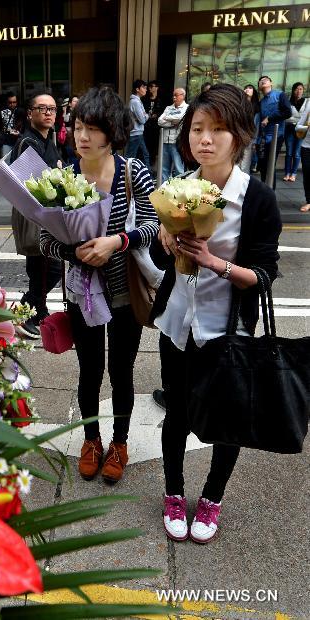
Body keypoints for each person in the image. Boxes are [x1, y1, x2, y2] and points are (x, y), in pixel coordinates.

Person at [151, 83, 282, 544]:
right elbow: (160, 252)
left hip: (228, 330)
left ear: (241, 135)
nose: (204, 140)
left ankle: (211, 498)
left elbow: (264, 274)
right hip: (178, 324)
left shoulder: (258, 199)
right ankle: (173, 492)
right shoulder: (177, 188)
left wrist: (215, 262)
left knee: (229, 417)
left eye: (218, 130)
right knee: (178, 413)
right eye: (198, 129)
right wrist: (165, 241)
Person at [40, 87, 159, 484]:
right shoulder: (63, 178)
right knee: (89, 370)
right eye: (77, 126)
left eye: (92, 128)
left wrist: (116, 242)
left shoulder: (132, 172)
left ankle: (119, 442)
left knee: (122, 371)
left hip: (124, 290)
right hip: (81, 292)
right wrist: (76, 253)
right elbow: (45, 239)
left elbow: (153, 225)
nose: (82, 136)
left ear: (113, 133)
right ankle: (91, 439)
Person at [6, 93, 64, 339]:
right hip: (34, 214)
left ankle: (38, 312)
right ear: (30, 113)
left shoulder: (46, 139)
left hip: (42, 214)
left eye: (52, 108)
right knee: (48, 268)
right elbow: (35, 183)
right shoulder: (28, 142)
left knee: (40, 268)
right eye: (43, 108)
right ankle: (24, 311)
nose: (49, 113)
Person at [256, 75, 291, 188]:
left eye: (266, 79)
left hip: (277, 136)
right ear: (259, 87)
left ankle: (270, 192)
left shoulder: (280, 95)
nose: (263, 80)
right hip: (263, 137)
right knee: (262, 165)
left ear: (271, 83)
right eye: (261, 81)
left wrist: (269, 118)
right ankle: (264, 190)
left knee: (270, 165)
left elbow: (287, 112)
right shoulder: (261, 102)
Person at [157, 88, 188, 182]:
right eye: (173, 95)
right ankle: (164, 190)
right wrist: (172, 123)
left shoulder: (187, 108)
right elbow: (160, 121)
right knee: (164, 169)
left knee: (179, 168)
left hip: (176, 142)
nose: (174, 97)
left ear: (183, 96)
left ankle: (179, 191)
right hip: (165, 141)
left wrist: (168, 118)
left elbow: (180, 119)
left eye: (176, 95)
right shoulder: (168, 108)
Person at [283, 82, 305, 182]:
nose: (298, 91)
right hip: (289, 129)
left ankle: (294, 173)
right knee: (289, 152)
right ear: (293, 90)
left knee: (296, 153)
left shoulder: (307, 102)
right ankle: (287, 173)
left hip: (301, 130)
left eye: (301, 89)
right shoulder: (288, 101)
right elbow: (286, 116)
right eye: (297, 89)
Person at [126, 80, 150, 167]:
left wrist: (145, 115)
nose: (146, 90)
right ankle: (124, 176)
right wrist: (147, 115)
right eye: (144, 88)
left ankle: (147, 175)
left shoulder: (137, 101)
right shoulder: (135, 102)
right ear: (137, 89)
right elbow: (142, 120)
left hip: (137, 132)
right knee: (130, 158)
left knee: (143, 155)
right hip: (135, 133)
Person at [142, 80, 162, 169]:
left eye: (152, 86)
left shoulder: (160, 100)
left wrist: (157, 115)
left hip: (156, 128)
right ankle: (146, 168)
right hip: (146, 127)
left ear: (157, 88)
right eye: (149, 87)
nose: (150, 89)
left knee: (154, 149)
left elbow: (163, 112)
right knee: (145, 148)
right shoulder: (144, 99)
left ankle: (152, 168)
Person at [242, 84, 261, 173]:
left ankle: (244, 181)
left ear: (254, 92)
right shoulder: (240, 105)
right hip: (239, 134)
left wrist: (255, 140)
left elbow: (256, 124)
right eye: (245, 88)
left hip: (249, 136)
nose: (247, 89)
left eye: (250, 88)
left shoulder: (256, 106)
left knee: (246, 160)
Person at [296, 96, 310, 212]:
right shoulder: (309, 104)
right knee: (308, 175)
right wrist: (308, 126)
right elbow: (298, 127)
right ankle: (309, 201)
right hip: (307, 147)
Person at [62, 96, 78, 162]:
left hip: (76, 137)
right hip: (69, 137)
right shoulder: (68, 112)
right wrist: (64, 111)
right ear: (70, 104)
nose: (77, 102)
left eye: (78, 101)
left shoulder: (79, 112)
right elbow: (65, 120)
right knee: (70, 155)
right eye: (75, 101)